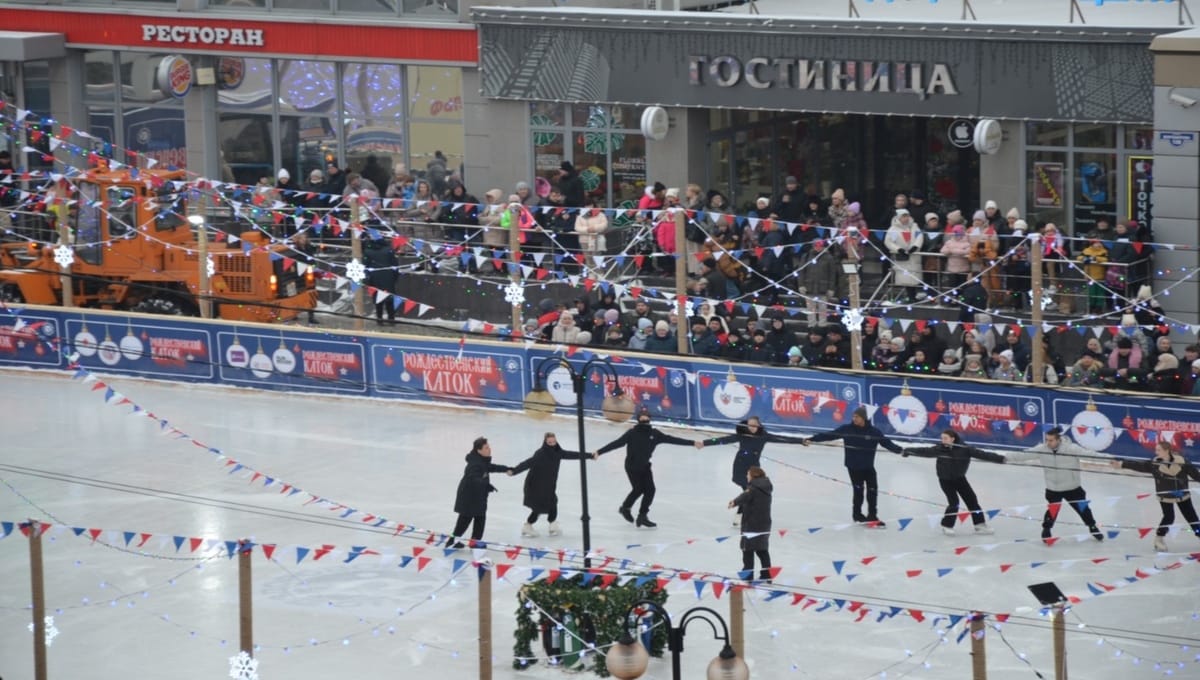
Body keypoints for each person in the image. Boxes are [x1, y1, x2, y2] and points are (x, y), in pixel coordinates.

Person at [594, 407, 699, 527]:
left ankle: (642, 516)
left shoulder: (655, 434)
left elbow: (673, 439)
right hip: (632, 466)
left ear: (649, 419)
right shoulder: (632, 433)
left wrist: (693, 443)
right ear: (638, 419)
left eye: (646, 417)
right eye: (642, 417)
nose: (644, 418)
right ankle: (625, 508)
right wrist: (599, 452)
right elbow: (616, 444)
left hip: (645, 466)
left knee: (650, 490)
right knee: (638, 489)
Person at [802, 407, 904, 526]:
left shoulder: (874, 432)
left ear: (864, 418)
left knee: (872, 491)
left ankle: (872, 516)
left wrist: (900, 451)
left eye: (857, 417)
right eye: (853, 416)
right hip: (854, 467)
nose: (854, 419)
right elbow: (829, 435)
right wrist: (812, 439)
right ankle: (857, 515)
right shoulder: (847, 429)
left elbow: (887, 443)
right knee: (858, 491)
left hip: (868, 467)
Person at [698, 416, 807, 525]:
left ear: (759, 425)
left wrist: (800, 441)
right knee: (748, 490)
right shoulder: (742, 435)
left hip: (754, 468)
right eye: (750, 425)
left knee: (750, 490)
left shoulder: (764, 436)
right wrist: (704, 443)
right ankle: (741, 514)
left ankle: (741, 514)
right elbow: (722, 440)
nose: (752, 428)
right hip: (740, 466)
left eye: (754, 425)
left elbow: (782, 439)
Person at [1005, 427, 1105, 543]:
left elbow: (1091, 455)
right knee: (1052, 510)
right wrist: (1004, 458)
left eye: (1051, 440)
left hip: (1072, 487)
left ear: (1058, 439)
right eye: (1047, 440)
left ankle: (1092, 527)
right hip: (1054, 488)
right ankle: (1046, 529)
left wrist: (1111, 460)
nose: (1048, 443)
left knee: (1083, 509)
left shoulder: (1071, 449)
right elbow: (1023, 455)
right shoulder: (1042, 449)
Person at [902, 429, 1006, 535]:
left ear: (952, 439)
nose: (943, 441)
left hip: (960, 479)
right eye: (942, 438)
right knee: (954, 502)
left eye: (945, 438)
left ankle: (979, 525)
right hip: (945, 480)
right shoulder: (940, 449)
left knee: (972, 500)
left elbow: (983, 454)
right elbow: (924, 451)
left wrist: (1002, 459)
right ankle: (947, 525)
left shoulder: (965, 449)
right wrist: (908, 450)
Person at [1112, 440, 1200, 552]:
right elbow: (1139, 466)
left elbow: (1196, 475)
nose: (1156, 452)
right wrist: (1121, 464)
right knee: (1169, 517)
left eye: (1158, 450)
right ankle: (1159, 539)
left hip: (1182, 493)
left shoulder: (1182, 462)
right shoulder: (1155, 463)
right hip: (1165, 494)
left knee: (1191, 517)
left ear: (1166, 451)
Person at [509, 433, 590, 538]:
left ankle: (551, 525)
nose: (552, 444)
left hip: (548, 485)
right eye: (549, 442)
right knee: (540, 507)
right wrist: (514, 471)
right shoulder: (540, 454)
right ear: (545, 443)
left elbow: (572, 455)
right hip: (535, 485)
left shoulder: (558, 452)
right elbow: (527, 463)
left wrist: (589, 456)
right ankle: (530, 526)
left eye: (554, 442)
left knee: (551, 502)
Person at [447, 437, 513, 548]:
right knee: (464, 521)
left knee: (480, 519)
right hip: (469, 497)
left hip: (477, 496)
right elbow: (473, 478)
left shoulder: (481, 460)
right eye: (486, 448)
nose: (489, 449)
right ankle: (452, 541)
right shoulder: (475, 463)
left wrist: (506, 469)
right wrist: (486, 485)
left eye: (489, 447)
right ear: (479, 450)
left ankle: (473, 542)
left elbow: (491, 467)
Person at [729, 466, 774, 583]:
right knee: (762, 550)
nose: (746, 476)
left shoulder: (753, 488)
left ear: (754, 476)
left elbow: (744, 496)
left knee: (747, 550)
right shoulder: (766, 487)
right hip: (764, 524)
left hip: (752, 524)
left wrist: (734, 502)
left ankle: (748, 575)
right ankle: (767, 574)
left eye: (748, 474)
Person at [363, 237, 399, 325]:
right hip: (388, 277)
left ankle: (379, 319)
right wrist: (394, 277)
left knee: (378, 298)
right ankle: (391, 319)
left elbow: (365, 266)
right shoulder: (389, 250)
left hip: (374, 277)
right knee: (389, 298)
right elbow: (395, 265)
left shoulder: (367, 252)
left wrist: (367, 279)